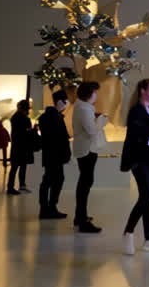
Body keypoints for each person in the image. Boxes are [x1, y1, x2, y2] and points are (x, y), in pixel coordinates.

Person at [120, 79, 149, 255]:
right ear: (142, 91)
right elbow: (138, 137)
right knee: (145, 198)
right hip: (140, 160)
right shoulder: (135, 112)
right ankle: (128, 232)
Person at [71, 81, 107, 233]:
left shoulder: (83, 107)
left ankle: (81, 216)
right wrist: (101, 120)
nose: (96, 95)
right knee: (85, 183)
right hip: (87, 150)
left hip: (85, 148)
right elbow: (91, 131)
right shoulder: (84, 109)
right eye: (95, 92)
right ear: (89, 93)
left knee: (85, 182)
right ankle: (81, 219)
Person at [38, 90, 70, 220]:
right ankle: (47, 208)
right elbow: (56, 138)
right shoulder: (52, 117)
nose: (66, 104)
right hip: (54, 156)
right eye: (65, 102)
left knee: (53, 180)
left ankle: (49, 208)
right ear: (58, 102)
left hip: (54, 156)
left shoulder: (53, 116)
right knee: (51, 181)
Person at [6, 99, 35, 195]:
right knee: (20, 166)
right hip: (23, 146)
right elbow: (26, 132)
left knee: (16, 167)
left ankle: (13, 186)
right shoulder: (23, 118)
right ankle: (16, 186)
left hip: (17, 145)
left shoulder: (15, 117)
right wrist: (32, 131)